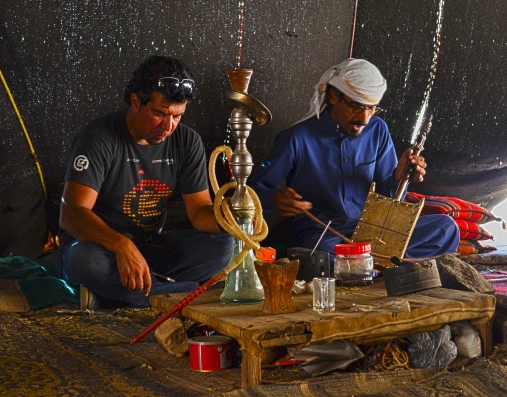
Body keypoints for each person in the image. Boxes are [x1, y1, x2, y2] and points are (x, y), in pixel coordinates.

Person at [56, 55, 234, 307]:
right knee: (84, 260)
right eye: (160, 114)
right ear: (136, 101)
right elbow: (71, 214)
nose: (168, 126)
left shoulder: (187, 141)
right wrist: (120, 244)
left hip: (148, 248)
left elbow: (198, 212)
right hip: (98, 247)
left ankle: (124, 294)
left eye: (177, 116)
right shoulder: (99, 137)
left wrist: (233, 217)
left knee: (224, 246)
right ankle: (181, 295)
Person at [248, 58, 459, 259]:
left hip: (372, 232)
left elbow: (390, 201)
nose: (364, 118)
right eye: (356, 106)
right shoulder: (295, 138)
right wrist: (275, 199)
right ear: (333, 97)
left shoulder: (377, 130)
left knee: (445, 228)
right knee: (321, 253)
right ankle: (380, 266)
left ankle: (367, 266)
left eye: (371, 107)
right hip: (325, 236)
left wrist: (399, 177)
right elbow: (253, 190)